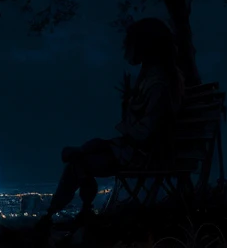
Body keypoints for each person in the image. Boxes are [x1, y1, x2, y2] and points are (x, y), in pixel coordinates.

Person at [36, 17, 186, 229]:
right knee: (87, 151)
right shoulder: (154, 80)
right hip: (139, 151)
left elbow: (146, 134)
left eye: (130, 42)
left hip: (145, 156)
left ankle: (57, 214)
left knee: (79, 162)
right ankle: (69, 209)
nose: (126, 47)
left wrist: (125, 121)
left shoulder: (158, 83)